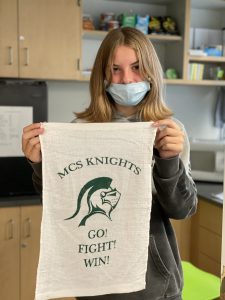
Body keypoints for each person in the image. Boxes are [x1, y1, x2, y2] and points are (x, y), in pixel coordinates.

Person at [22, 27, 197, 300]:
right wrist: (40, 164)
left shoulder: (170, 132)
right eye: (115, 69)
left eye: (137, 67)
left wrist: (169, 160)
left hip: (155, 288)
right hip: (96, 283)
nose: (127, 80)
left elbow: (182, 210)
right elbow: (62, 207)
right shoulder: (80, 130)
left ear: (151, 70)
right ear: (102, 75)